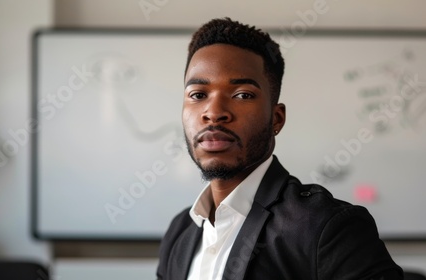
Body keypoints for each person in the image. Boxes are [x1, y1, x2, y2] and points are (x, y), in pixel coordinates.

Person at [156, 18, 403, 280]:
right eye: (197, 95)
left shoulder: (326, 227)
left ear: (277, 119)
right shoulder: (180, 232)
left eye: (242, 94)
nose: (214, 113)